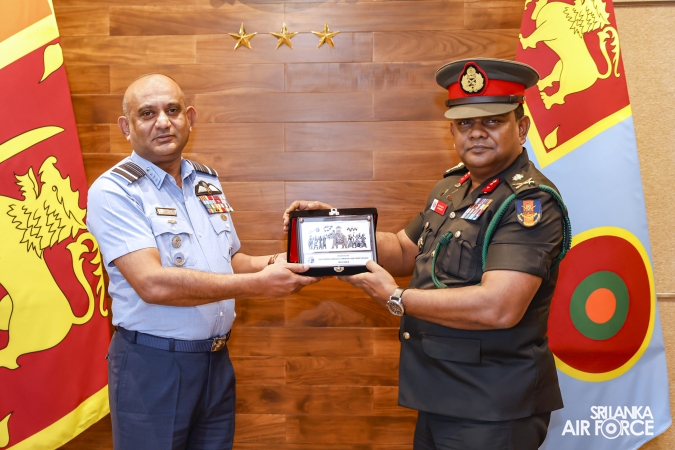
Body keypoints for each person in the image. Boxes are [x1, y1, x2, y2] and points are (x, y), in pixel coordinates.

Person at [283, 58, 571, 449]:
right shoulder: (452, 188)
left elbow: (499, 307)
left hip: (493, 406)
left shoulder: (528, 203)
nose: (477, 133)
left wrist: (396, 298)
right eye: (465, 123)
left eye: (493, 121)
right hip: (440, 395)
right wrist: (332, 229)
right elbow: (405, 248)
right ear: (452, 131)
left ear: (521, 128)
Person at [87, 73, 319, 450]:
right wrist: (259, 285)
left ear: (190, 117)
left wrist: (292, 259)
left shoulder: (205, 181)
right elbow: (152, 283)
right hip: (153, 365)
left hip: (216, 363)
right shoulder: (114, 191)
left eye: (172, 110)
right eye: (147, 113)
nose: (163, 122)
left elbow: (231, 261)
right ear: (126, 127)